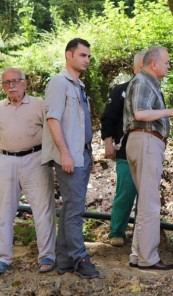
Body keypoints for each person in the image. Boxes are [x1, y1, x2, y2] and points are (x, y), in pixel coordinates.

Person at [124, 46, 173, 270]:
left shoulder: (145, 82)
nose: (168, 65)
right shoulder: (143, 82)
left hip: (142, 141)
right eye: (166, 62)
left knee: (145, 201)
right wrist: (171, 111)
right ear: (154, 63)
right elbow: (140, 114)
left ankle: (138, 255)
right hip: (146, 140)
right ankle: (148, 258)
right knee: (150, 203)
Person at [42, 38, 100, 278]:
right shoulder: (59, 83)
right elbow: (53, 120)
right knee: (75, 210)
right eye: (82, 55)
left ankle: (65, 260)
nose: (87, 59)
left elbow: (81, 124)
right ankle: (80, 258)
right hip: (70, 156)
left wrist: (91, 154)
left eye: (88, 56)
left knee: (70, 209)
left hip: (82, 154)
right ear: (69, 55)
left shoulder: (79, 86)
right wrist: (65, 153)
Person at [0, 68, 56, 275]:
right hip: (5, 159)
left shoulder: (38, 104)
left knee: (43, 209)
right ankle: (3, 258)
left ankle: (47, 256)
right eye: (6, 83)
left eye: (16, 81)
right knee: (3, 211)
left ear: (25, 83)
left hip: (35, 159)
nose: (11, 86)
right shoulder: (0, 108)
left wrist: (53, 158)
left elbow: (52, 131)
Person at [100, 51, 145, 247]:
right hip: (125, 149)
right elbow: (108, 118)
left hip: (147, 151)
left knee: (147, 195)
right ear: (136, 67)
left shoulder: (154, 91)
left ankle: (142, 235)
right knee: (126, 191)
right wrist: (108, 143)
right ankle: (117, 231)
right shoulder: (121, 90)